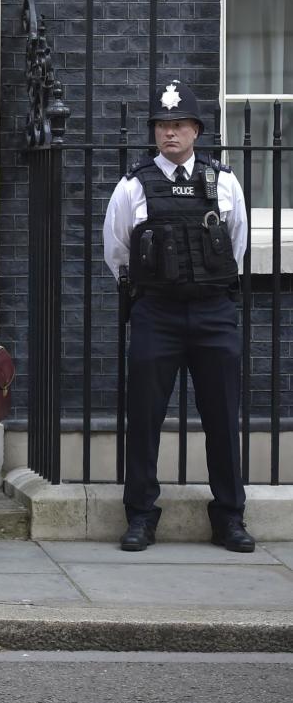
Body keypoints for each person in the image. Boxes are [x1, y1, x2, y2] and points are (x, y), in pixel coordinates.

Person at [102, 79, 254, 554]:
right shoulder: (133, 185)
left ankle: (229, 517)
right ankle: (141, 516)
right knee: (144, 419)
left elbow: (238, 245)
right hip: (157, 313)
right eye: (163, 125)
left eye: (180, 124)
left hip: (213, 311)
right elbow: (117, 252)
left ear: (196, 130)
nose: (170, 133)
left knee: (222, 420)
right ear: (155, 132)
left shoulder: (224, 181)